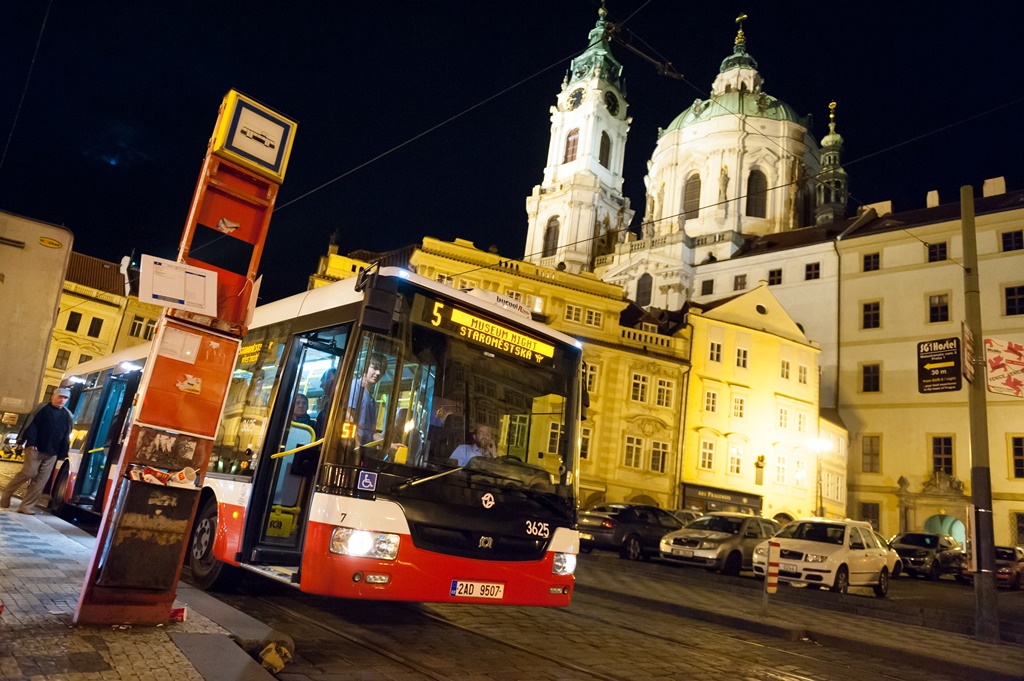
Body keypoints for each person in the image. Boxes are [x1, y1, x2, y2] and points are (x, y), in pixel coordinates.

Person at [1, 387, 74, 515]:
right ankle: (6, 494)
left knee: (41, 480)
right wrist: (31, 442)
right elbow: (31, 426)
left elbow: (65, 434)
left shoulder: (67, 415)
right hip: (35, 448)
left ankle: (26, 506)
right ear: (53, 396)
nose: (62, 400)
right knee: (29, 473)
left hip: (52, 452)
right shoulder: (42, 409)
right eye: (60, 396)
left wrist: (62, 453)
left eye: (65, 398)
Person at [346, 353, 386, 446]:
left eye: (381, 370)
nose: (378, 373)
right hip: (354, 447)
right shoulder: (355, 385)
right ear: (365, 367)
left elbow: (372, 433)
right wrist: (356, 446)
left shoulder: (372, 401)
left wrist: (389, 445)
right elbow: (349, 418)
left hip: (364, 449)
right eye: (375, 368)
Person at [314, 368, 337, 437]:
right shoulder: (327, 403)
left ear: (331, 382)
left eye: (323, 382)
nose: (321, 386)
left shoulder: (335, 404)